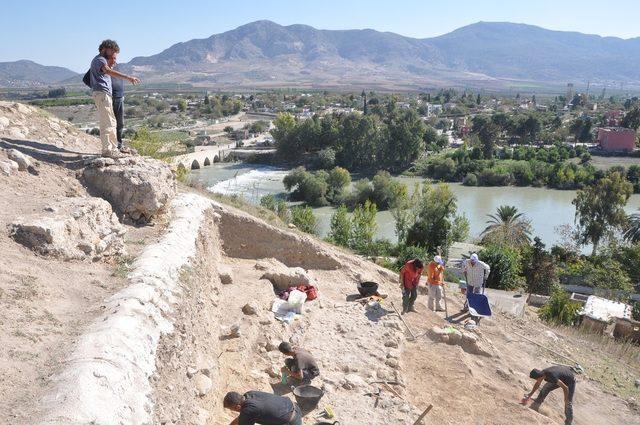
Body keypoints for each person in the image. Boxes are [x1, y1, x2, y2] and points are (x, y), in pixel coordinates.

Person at [89, 39, 139, 158]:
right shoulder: (100, 60)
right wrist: (128, 77)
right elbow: (107, 71)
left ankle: (112, 148)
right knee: (108, 123)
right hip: (102, 94)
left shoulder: (99, 60)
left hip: (103, 94)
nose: (113, 55)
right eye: (112, 52)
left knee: (111, 122)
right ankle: (108, 150)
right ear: (105, 48)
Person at [223, 390, 302, 425]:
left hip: (292, 422)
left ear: (237, 407)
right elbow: (243, 417)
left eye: (233, 409)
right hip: (295, 408)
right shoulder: (250, 394)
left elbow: (245, 415)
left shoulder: (248, 410)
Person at [107, 55, 128, 153]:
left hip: (119, 97)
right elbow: (86, 79)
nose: (114, 60)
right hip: (109, 98)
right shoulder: (102, 65)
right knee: (110, 123)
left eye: (115, 58)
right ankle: (110, 146)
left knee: (120, 123)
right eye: (112, 57)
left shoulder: (116, 66)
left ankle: (119, 145)